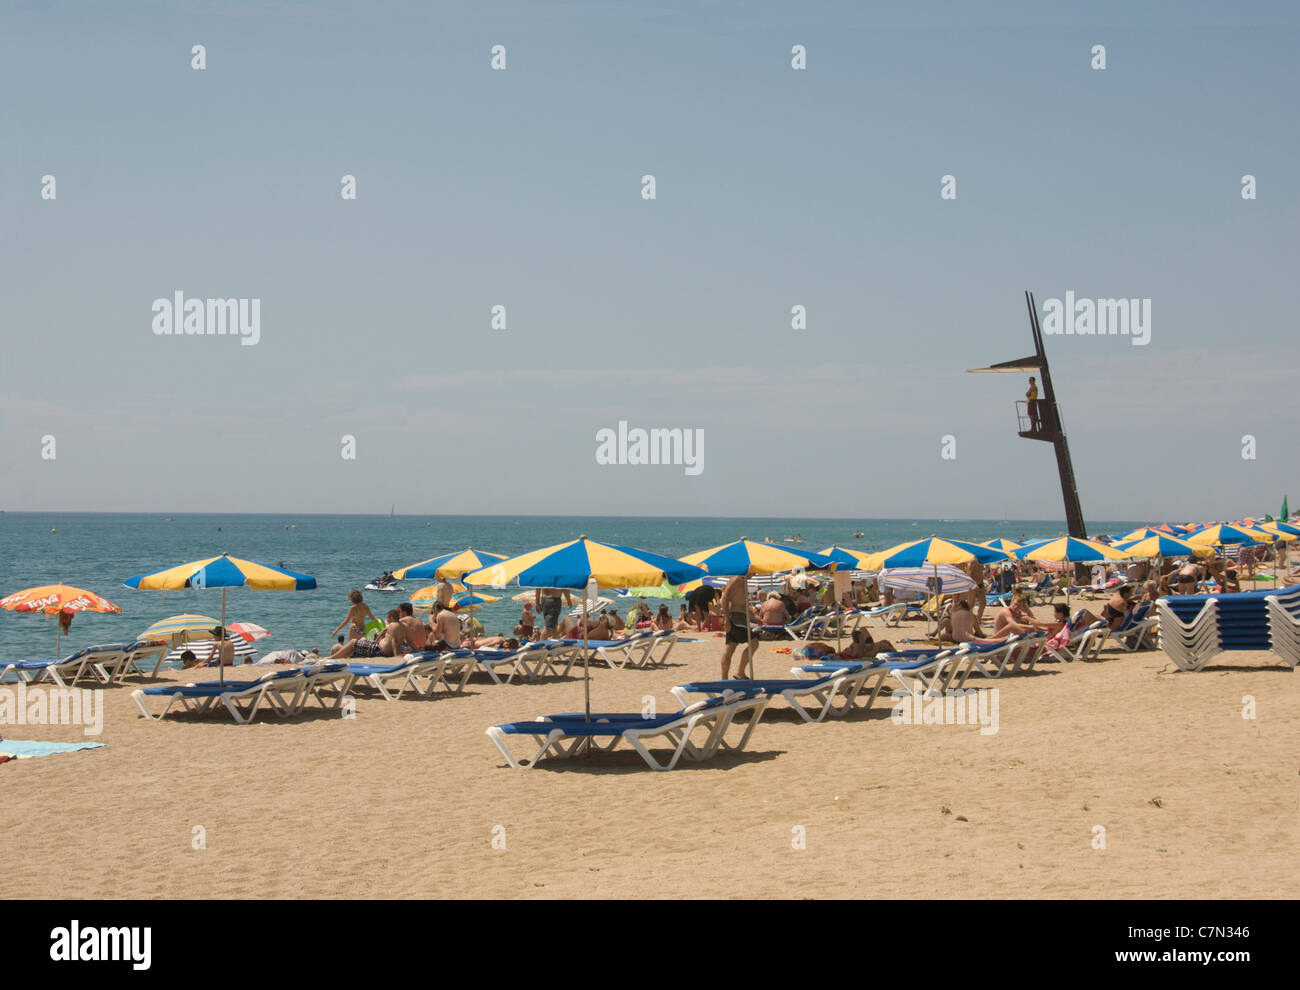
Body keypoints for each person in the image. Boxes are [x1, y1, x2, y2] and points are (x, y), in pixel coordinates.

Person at [719, 572, 754, 679]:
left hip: (740, 618)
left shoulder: (743, 581)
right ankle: (739, 672)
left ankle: (724, 678)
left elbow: (742, 603)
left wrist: (755, 617)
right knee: (754, 642)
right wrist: (727, 619)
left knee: (730, 647)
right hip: (736, 618)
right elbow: (724, 598)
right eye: (753, 569)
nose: (755, 572)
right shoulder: (736, 580)